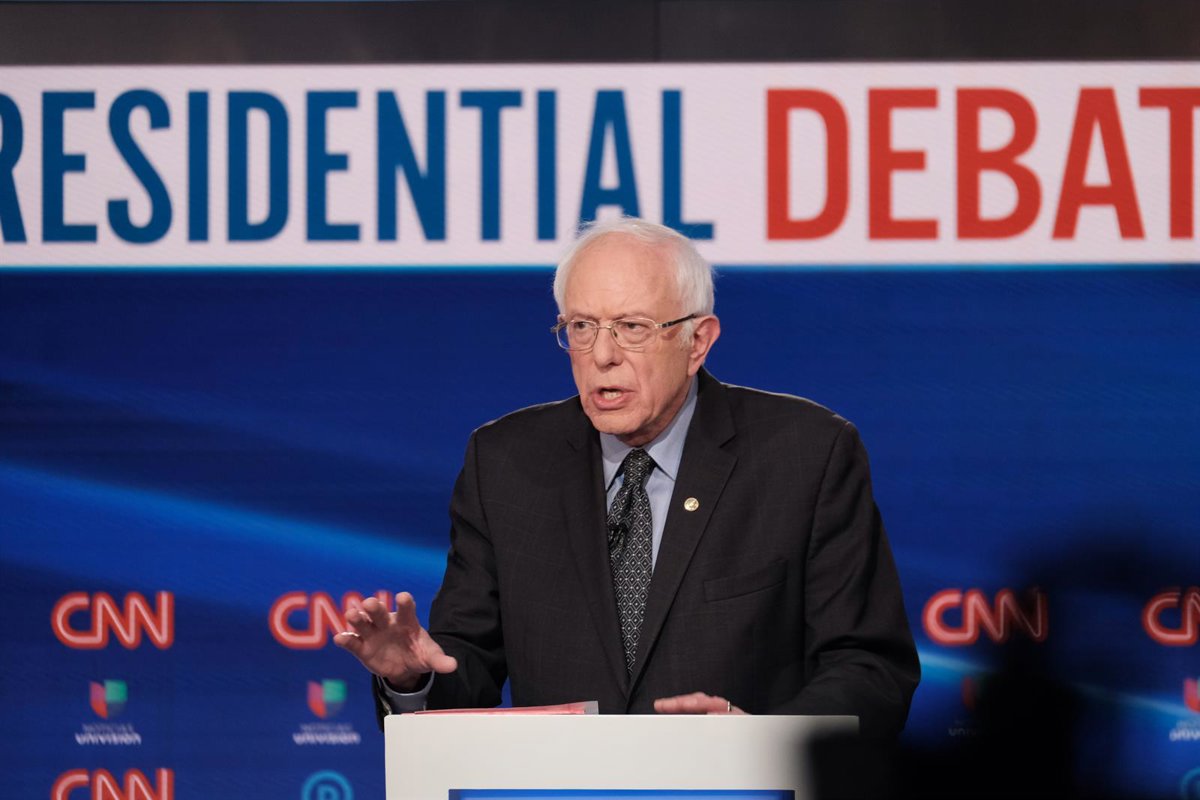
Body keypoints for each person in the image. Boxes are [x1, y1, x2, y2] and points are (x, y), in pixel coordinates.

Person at [335, 217, 919, 735]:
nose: (602, 355)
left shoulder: (805, 455)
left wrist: (762, 744)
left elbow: (870, 669)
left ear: (697, 341)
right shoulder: (505, 462)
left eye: (632, 327)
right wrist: (411, 680)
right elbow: (467, 668)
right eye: (581, 327)